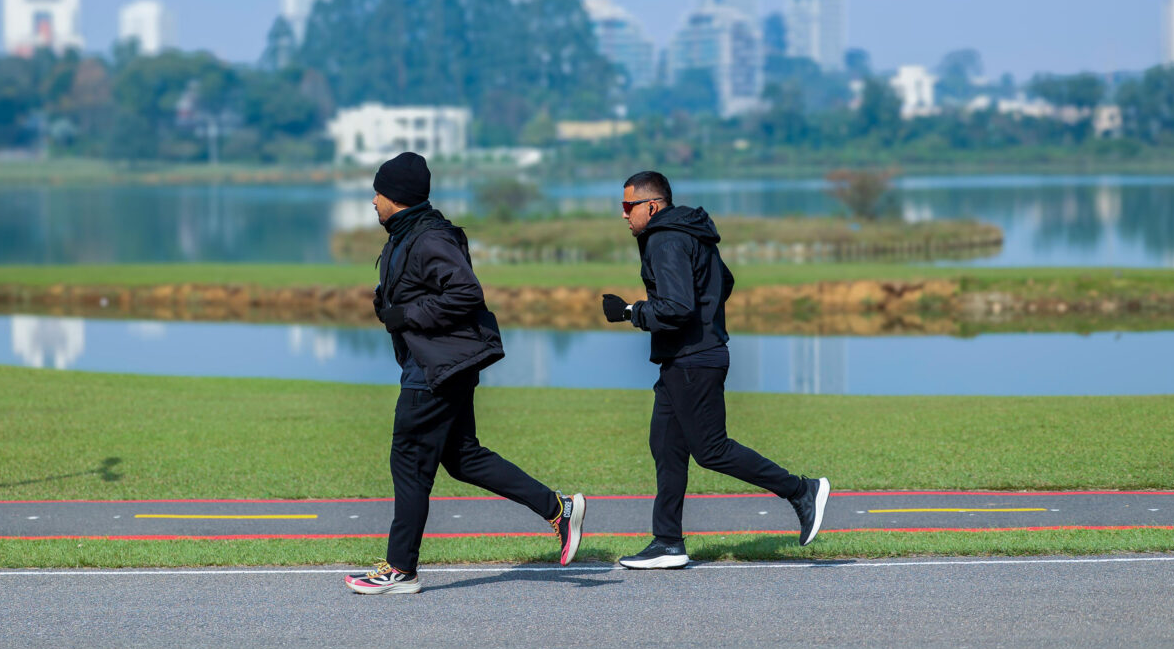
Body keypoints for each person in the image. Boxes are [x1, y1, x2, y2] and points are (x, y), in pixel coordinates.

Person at [345, 152, 586, 594]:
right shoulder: (407, 234)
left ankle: (400, 569)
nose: (373, 201)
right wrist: (390, 306)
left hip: (433, 370)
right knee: (462, 457)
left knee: (410, 462)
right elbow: (415, 291)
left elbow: (465, 293)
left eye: (377, 193)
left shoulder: (428, 237)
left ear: (395, 197)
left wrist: (407, 315)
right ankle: (558, 508)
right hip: (439, 364)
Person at [601, 170, 829, 569]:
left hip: (694, 360)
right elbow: (723, 280)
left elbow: (676, 307)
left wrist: (630, 311)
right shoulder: (691, 232)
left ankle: (801, 490)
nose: (624, 215)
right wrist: (706, 315)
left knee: (711, 450)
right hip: (687, 358)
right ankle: (667, 542)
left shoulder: (664, 238)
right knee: (666, 447)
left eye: (627, 206)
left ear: (651, 206)